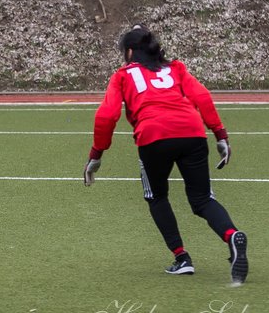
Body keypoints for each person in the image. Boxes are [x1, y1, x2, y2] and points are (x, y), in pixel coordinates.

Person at [83, 24, 248, 284]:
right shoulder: (176, 69)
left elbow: (107, 115)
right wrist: (220, 133)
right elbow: (202, 96)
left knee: (156, 196)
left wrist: (96, 154)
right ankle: (231, 235)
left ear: (129, 53)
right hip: (192, 132)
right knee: (202, 199)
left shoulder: (123, 75)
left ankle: (182, 258)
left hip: (154, 135)